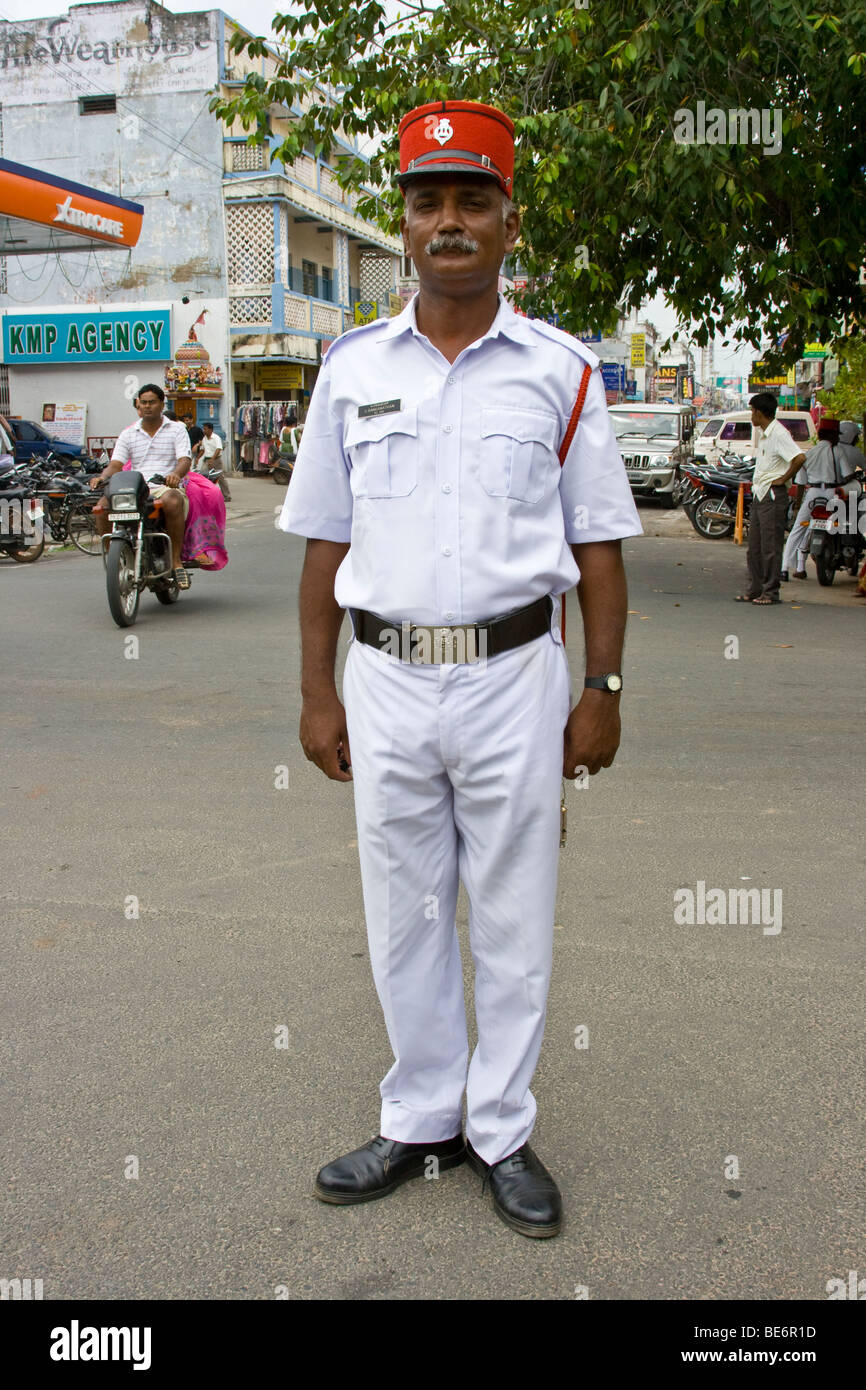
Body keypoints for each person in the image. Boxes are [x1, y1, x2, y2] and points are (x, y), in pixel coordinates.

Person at [278, 98, 642, 1239]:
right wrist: (316, 687)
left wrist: (603, 688)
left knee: (511, 912)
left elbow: (596, 550)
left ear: (504, 222)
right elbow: (323, 543)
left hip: (514, 679)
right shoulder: (347, 370)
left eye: (469, 200)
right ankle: (420, 1112)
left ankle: (500, 1129)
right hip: (383, 677)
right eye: (428, 200)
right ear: (405, 224)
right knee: (403, 909)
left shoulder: (560, 370)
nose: (448, 221)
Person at [91, 383, 192, 588]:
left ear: (162, 404)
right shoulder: (129, 433)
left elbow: (184, 459)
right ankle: (116, 559)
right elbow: (116, 464)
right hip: (136, 487)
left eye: (152, 402)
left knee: (173, 501)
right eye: (143, 403)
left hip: (163, 485)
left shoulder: (177, 429)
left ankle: (175, 561)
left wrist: (175, 474)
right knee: (102, 507)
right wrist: (102, 478)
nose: (147, 406)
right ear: (138, 405)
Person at [735, 392, 806, 604]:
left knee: (770, 546)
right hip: (760, 493)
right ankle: (755, 588)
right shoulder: (765, 434)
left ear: (759, 412)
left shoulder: (779, 434)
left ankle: (770, 591)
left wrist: (783, 478)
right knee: (754, 546)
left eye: (752, 411)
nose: (751, 416)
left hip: (773, 495)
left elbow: (799, 457)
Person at [780, 420, 857, 581]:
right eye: (836, 435)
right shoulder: (837, 451)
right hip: (832, 494)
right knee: (843, 524)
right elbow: (848, 475)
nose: (837, 438)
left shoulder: (808, 454)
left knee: (798, 529)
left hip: (812, 495)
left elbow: (801, 484)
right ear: (831, 435)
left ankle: (784, 568)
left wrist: (797, 506)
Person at [198, 422, 231, 501]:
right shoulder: (204, 439)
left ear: (210, 429)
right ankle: (205, 495)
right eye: (203, 429)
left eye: (205, 429)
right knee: (203, 476)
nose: (204, 431)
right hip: (206, 460)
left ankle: (226, 496)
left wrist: (212, 459)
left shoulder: (216, 438)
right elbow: (203, 449)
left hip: (216, 460)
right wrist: (197, 458)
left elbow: (218, 448)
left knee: (220, 478)